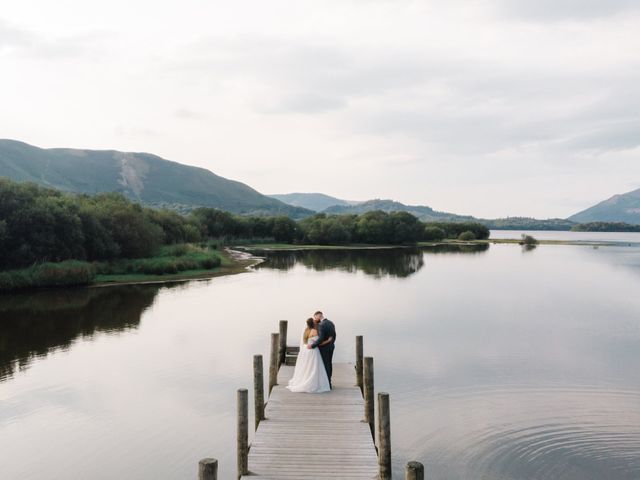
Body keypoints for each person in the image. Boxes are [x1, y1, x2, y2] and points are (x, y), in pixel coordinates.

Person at [286, 318, 331, 393]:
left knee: (306, 367)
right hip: (312, 351)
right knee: (314, 368)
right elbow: (319, 343)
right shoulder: (315, 331)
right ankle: (311, 382)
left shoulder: (306, 331)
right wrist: (328, 340)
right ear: (312, 323)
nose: (315, 322)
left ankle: (304, 379)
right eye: (314, 321)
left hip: (305, 351)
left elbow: (305, 342)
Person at [307, 310, 336, 389]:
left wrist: (313, 345)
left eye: (315, 317)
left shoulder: (321, 325)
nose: (315, 319)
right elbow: (334, 335)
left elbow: (320, 338)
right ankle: (329, 381)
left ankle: (327, 384)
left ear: (317, 316)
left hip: (324, 348)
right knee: (329, 364)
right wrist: (331, 342)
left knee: (325, 365)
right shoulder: (331, 323)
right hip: (331, 346)